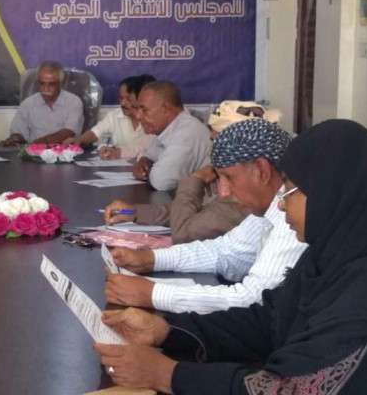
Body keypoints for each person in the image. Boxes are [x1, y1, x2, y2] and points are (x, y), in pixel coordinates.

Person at [95, 120, 367, 394]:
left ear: (332, 194)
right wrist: (167, 331)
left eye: (292, 191)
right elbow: (270, 319)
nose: (281, 204)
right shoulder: (336, 254)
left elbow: (288, 387)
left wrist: (168, 375)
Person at [104, 119, 307, 314]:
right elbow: (226, 251)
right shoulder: (266, 206)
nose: (224, 192)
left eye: (229, 177)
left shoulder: (294, 218)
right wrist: (151, 259)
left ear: (262, 170)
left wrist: (153, 294)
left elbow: (255, 298)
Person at [103, 101, 282, 243]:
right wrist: (132, 212)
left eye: (217, 141)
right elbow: (190, 211)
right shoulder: (225, 175)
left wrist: (196, 178)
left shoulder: (243, 195)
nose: (214, 149)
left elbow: (183, 232)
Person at [131, 81, 211, 191]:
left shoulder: (187, 133)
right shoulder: (167, 128)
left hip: (200, 201)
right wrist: (144, 161)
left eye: (144, 110)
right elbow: (150, 154)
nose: (138, 116)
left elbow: (162, 181)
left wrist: (146, 173)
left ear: (165, 109)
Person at [68, 75, 155, 158]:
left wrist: (118, 152)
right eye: (121, 98)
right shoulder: (114, 115)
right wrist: (80, 140)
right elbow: (96, 131)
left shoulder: (153, 119)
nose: (123, 103)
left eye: (128, 99)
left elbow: (145, 149)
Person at [1, 61, 84, 145]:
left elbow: (69, 132)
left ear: (60, 83)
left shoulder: (73, 101)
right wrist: (15, 139)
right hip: (33, 152)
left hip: (64, 151)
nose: (46, 88)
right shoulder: (28, 103)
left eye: (51, 84)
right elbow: (19, 132)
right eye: (42, 83)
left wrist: (37, 144)